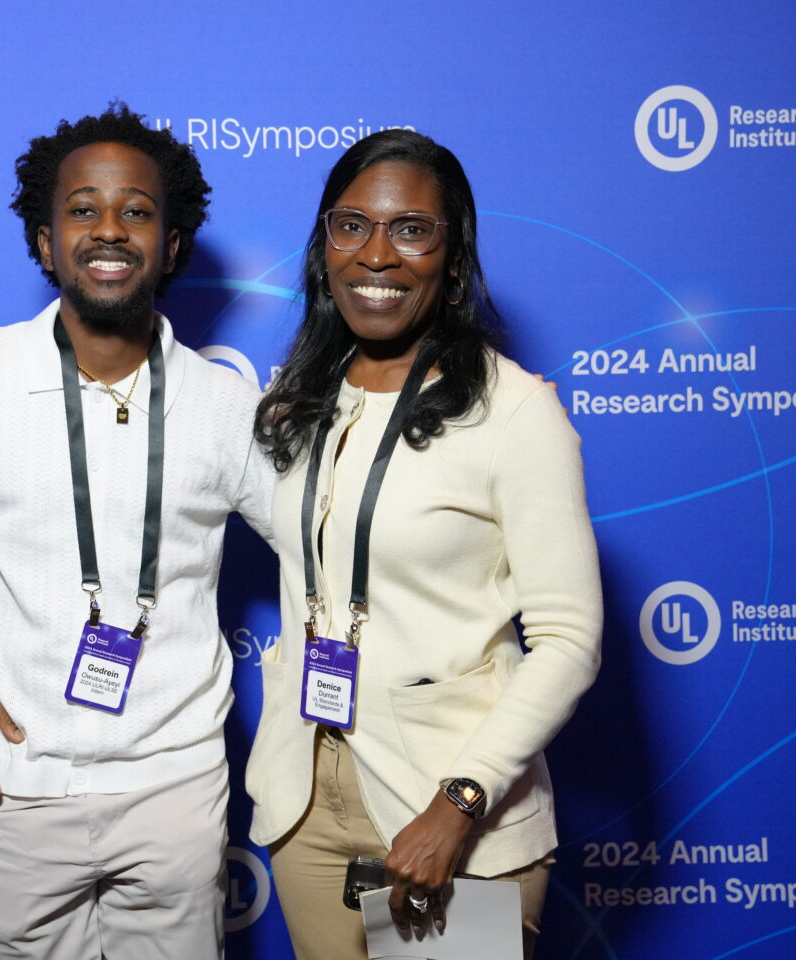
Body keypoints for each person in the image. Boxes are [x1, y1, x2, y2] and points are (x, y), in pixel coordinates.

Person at [0, 103, 272, 959]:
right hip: (18, 777)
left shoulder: (231, 408)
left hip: (177, 781)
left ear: (172, 242)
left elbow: (324, 554)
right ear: (45, 243)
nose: (109, 229)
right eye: (82, 208)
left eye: (136, 210)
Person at [245, 129, 602, 959]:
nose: (377, 254)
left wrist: (459, 802)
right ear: (324, 246)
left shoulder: (514, 412)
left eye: (411, 229)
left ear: (453, 254)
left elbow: (570, 640)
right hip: (304, 794)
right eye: (351, 225)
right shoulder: (297, 403)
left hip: (446, 805)